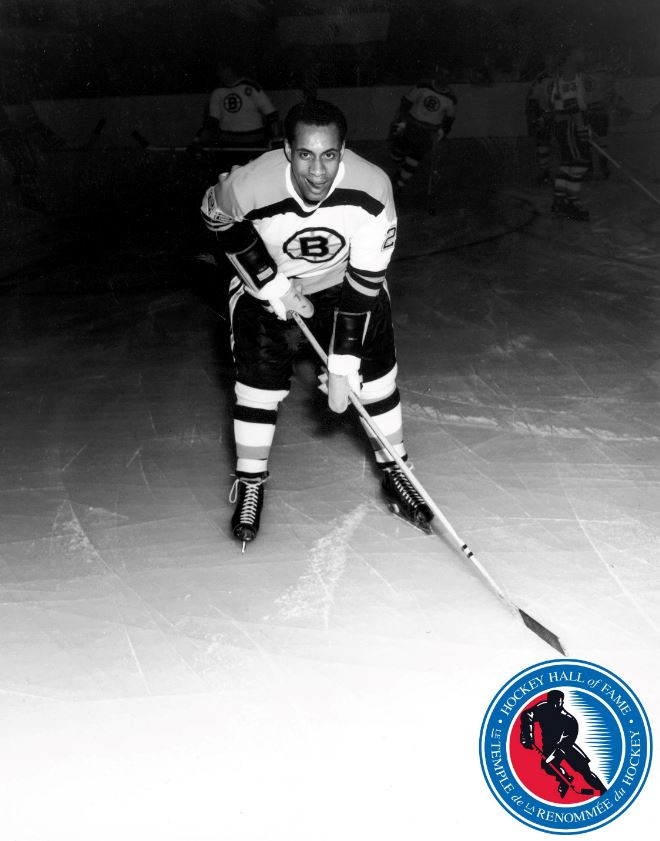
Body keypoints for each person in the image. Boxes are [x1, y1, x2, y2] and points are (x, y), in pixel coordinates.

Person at [200, 98, 432, 549]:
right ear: (287, 150)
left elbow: (365, 284)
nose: (318, 171)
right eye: (306, 154)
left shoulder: (372, 190)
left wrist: (344, 365)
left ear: (343, 151)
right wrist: (271, 284)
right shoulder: (249, 184)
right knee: (258, 385)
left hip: (343, 283)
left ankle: (397, 470)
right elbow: (215, 216)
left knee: (375, 377)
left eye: (329, 155)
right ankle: (250, 483)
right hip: (266, 283)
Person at [520, 690, 608, 799]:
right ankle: (565, 779)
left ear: (562, 702)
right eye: (553, 703)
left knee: (585, 771)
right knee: (548, 767)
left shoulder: (570, 720)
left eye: (558, 703)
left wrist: (552, 757)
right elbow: (527, 715)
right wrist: (527, 735)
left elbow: (564, 744)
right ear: (548, 701)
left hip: (567, 747)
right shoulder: (543, 708)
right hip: (549, 747)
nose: (555, 706)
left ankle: (605, 791)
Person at [388, 67, 457, 196]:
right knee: (396, 153)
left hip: (428, 132)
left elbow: (449, 119)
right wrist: (401, 120)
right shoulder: (423, 85)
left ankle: (399, 186)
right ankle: (399, 169)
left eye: (447, 77)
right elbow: (406, 102)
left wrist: (443, 131)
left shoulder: (451, 99)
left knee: (414, 160)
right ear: (437, 75)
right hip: (410, 125)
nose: (444, 79)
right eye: (442, 75)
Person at [190, 64, 282, 153]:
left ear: (230, 69)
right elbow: (212, 122)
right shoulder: (218, 92)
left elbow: (272, 115)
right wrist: (199, 141)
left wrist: (277, 140)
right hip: (229, 144)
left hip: (253, 142)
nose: (219, 73)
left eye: (222, 70)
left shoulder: (251, 87)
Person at [548, 45, 591, 220]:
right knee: (580, 163)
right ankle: (572, 202)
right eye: (580, 51)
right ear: (571, 55)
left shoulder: (564, 73)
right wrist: (580, 127)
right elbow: (571, 103)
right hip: (570, 124)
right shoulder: (569, 73)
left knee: (567, 163)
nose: (583, 53)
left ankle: (559, 201)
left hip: (565, 124)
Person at [525, 54, 556, 184]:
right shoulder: (541, 78)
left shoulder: (565, 75)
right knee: (543, 144)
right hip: (546, 114)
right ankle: (546, 173)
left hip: (562, 114)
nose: (550, 62)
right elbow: (533, 98)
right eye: (548, 60)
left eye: (552, 60)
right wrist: (536, 116)